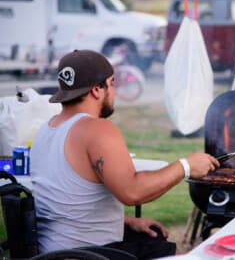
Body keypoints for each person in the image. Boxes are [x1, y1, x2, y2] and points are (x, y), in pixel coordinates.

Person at [30, 49, 219, 259]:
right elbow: (132, 193)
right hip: (89, 253)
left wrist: (129, 221)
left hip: (54, 252)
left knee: (157, 242)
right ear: (96, 90)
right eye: (112, 83)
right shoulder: (97, 129)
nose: (114, 91)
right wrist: (186, 166)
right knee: (173, 254)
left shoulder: (46, 129)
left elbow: (70, 200)